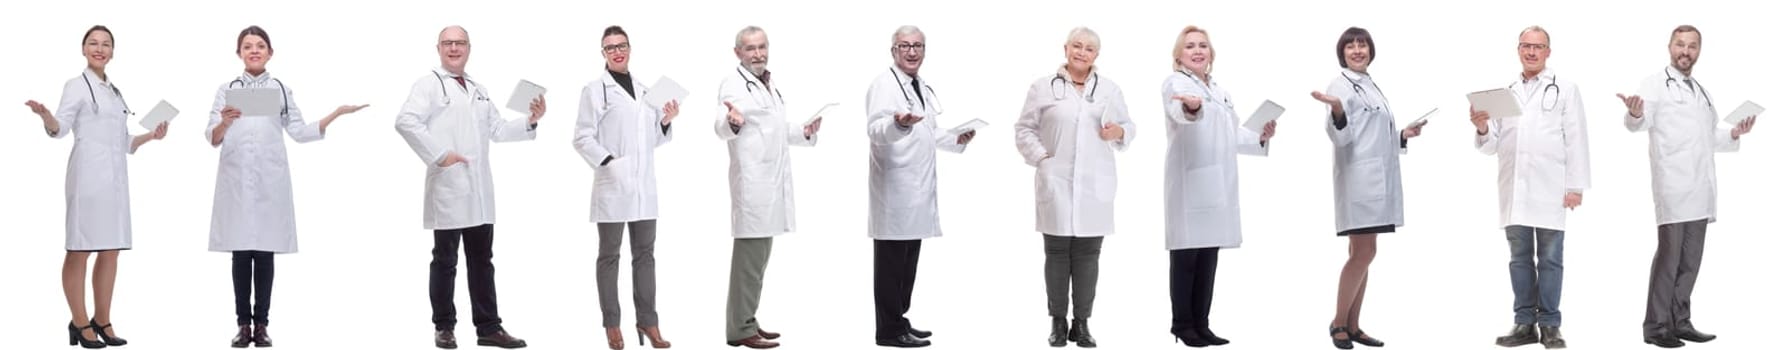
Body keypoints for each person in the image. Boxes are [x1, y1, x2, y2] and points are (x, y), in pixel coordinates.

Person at [205, 25, 368, 348]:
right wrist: (224, 122)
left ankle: (262, 325)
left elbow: (299, 131)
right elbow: (211, 137)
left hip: (269, 181)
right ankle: (242, 325)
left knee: (265, 253)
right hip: (236, 179)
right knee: (240, 253)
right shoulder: (227, 89)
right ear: (239, 53)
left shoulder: (280, 88)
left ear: (270, 53)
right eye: (248, 46)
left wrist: (335, 114)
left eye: (260, 46)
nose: (254, 50)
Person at [393, 25, 542, 350]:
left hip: (478, 191)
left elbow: (498, 130)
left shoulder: (479, 88)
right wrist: (440, 154)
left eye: (460, 42)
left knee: (482, 260)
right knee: (445, 261)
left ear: (469, 48)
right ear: (438, 48)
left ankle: (489, 328)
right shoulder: (428, 85)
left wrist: (530, 120)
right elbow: (405, 121)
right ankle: (444, 328)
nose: (454, 48)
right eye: (448, 43)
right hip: (448, 187)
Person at [24, 24, 168, 349]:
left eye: (105, 44)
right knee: (80, 249)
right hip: (87, 179)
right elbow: (59, 128)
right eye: (93, 43)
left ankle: (102, 320)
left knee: (111, 250)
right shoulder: (75, 86)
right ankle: (79, 321)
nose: (99, 49)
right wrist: (46, 116)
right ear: (83, 49)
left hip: (116, 182)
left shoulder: (114, 92)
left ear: (113, 52)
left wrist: (151, 136)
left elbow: (124, 142)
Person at [1615, 25, 1756, 349]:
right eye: (1680, 45)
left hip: (1700, 188)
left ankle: (1680, 320)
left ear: (1698, 51)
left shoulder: (1701, 91)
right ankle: (1655, 326)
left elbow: (1709, 137)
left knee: (1691, 260)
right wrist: (1634, 113)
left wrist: (1734, 134)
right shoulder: (1654, 84)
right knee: (1669, 258)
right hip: (1674, 186)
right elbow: (1638, 121)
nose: (1686, 51)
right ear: (1669, 46)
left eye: (1692, 46)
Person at [1014, 26, 1135, 349]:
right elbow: (1024, 128)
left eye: (1089, 49)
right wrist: (1042, 157)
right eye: (1077, 46)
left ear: (1097, 55)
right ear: (1065, 48)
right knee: (1056, 253)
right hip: (1056, 179)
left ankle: (1081, 323)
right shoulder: (1043, 87)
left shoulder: (1109, 89)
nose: (1082, 52)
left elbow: (1129, 126)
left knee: (1088, 255)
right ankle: (1057, 322)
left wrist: (1118, 133)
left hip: (1095, 184)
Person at [1471, 25, 1589, 350]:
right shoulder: (1503, 93)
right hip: (1514, 191)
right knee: (1519, 259)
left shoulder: (1565, 88)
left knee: (1551, 260)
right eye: (1526, 46)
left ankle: (1550, 325)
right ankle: (1524, 323)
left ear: (1548, 52)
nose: (1532, 52)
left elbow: (1576, 139)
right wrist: (1482, 127)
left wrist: (1576, 186)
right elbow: (1490, 145)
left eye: (1538, 47)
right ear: (1518, 50)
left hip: (1552, 188)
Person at [1160, 25, 1276, 348]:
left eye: (1203, 46)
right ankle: (1182, 325)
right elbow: (1179, 112)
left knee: (1208, 257)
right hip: (1190, 182)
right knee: (1186, 258)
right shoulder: (1175, 83)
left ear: (1211, 53)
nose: (1198, 51)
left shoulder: (1220, 91)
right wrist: (1191, 108)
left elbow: (1233, 135)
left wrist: (1261, 136)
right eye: (1190, 46)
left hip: (1217, 185)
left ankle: (1202, 324)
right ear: (1178, 55)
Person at [1307, 26, 1424, 349]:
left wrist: (1402, 135)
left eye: (1363, 45)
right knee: (1364, 252)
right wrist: (1337, 110)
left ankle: (1354, 325)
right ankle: (1338, 323)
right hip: (1359, 182)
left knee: (1363, 253)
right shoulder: (1339, 85)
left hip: (1375, 178)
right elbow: (1341, 137)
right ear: (1342, 52)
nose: (1358, 50)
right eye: (1351, 46)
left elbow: (1372, 133)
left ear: (1371, 50)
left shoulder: (1369, 84)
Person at [863, 25, 975, 349]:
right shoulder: (883, 85)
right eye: (905, 46)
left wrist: (956, 137)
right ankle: (887, 331)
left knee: (907, 263)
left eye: (918, 46)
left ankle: (899, 320)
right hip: (895, 189)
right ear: (893, 51)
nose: (912, 52)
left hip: (916, 190)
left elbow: (927, 132)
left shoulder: (919, 85)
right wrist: (897, 123)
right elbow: (875, 129)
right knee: (891, 265)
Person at [715, 25, 823, 349]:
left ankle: (748, 319)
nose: (758, 53)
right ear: (738, 53)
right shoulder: (733, 84)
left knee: (759, 261)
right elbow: (722, 125)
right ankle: (739, 329)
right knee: (748, 262)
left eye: (762, 47)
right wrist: (732, 121)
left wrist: (804, 130)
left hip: (770, 185)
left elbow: (774, 128)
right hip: (754, 187)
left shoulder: (768, 82)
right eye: (750, 48)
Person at [572, 25, 679, 350]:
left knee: (645, 255)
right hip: (613, 186)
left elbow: (652, 139)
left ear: (630, 49)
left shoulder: (648, 91)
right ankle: (612, 325)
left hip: (644, 188)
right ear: (603, 53)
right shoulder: (594, 90)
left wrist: (665, 120)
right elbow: (581, 137)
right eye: (610, 48)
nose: (617, 51)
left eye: (622, 46)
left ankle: (648, 321)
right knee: (609, 256)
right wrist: (608, 163)